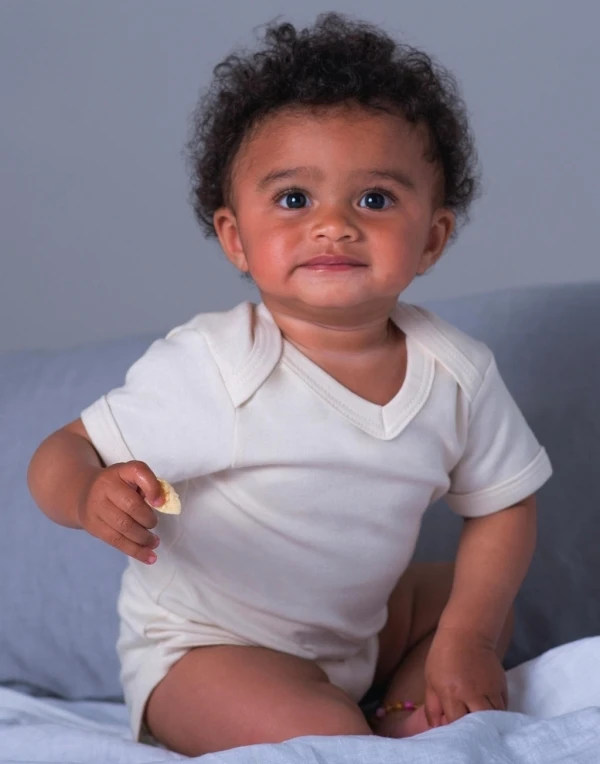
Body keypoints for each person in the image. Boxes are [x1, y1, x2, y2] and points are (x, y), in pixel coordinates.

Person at [27, 12, 553, 757]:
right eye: (295, 199)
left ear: (432, 238)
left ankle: (406, 711)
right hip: (208, 649)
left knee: (471, 600)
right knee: (323, 737)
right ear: (236, 238)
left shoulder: (456, 372)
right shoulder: (218, 365)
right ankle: (346, 727)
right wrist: (86, 493)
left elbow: (505, 505)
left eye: (375, 199)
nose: (333, 225)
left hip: (360, 631)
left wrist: (466, 636)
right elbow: (63, 450)